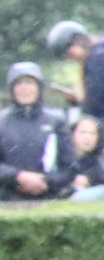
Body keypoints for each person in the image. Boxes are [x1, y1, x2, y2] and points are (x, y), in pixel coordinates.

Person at [43, 21, 104, 129]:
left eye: (68, 53)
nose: (70, 58)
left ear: (78, 41)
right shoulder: (99, 55)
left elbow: (93, 102)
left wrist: (79, 102)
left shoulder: (98, 58)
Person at [1, 63, 64, 199]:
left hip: (49, 198)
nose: (25, 88)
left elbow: (68, 166)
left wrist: (45, 181)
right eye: (19, 83)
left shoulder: (56, 121)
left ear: (39, 88)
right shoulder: (2, 122)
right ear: (12, 89)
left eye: (30, 83)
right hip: (6, 196)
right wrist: (18, 176)